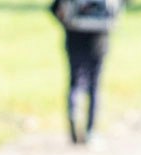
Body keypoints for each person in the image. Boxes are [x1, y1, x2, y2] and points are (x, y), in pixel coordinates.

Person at [51, 0, 124, 146]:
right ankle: (90, 130)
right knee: (95, 84)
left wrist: (66, 24)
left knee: (75, 80)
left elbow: (55, 8)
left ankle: (74, 112)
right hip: (100, 35)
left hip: (74, 33)